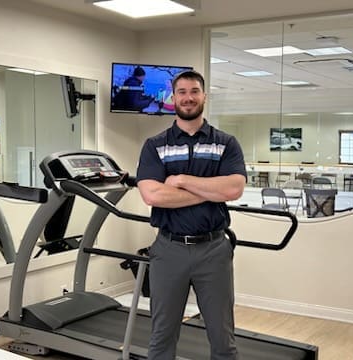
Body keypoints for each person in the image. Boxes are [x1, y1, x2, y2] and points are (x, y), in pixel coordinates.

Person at [136, 70, 247, 360]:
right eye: (182, 92)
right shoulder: (154, 145)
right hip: (168, 249)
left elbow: (234, 188)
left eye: (194, 91)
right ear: (173, 98)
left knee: (223, 337)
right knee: (161, 335)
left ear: (204, 96)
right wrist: (211, 190)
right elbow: (153, 195)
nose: (188, 98)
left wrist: (182, 180)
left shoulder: (226, 143)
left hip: (214, 249)